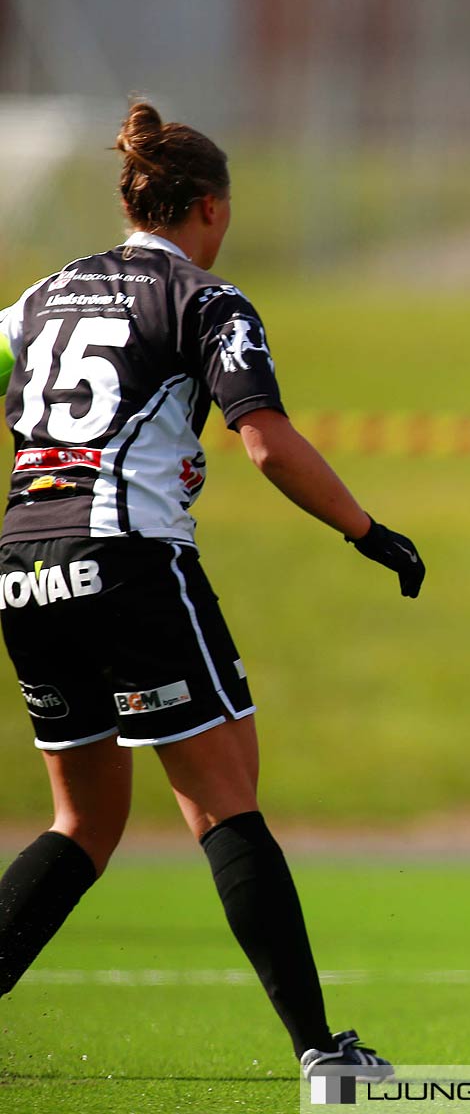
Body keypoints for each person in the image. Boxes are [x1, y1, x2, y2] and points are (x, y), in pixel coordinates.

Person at [0, 103, 425, 1078]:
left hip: (25, 562)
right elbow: (265, 441)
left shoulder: (45, 297)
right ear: (208, 207)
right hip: (128, 561)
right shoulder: (205, 300)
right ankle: (325, 1056)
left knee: (86, 821)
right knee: (225, 799)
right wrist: (370, 533)